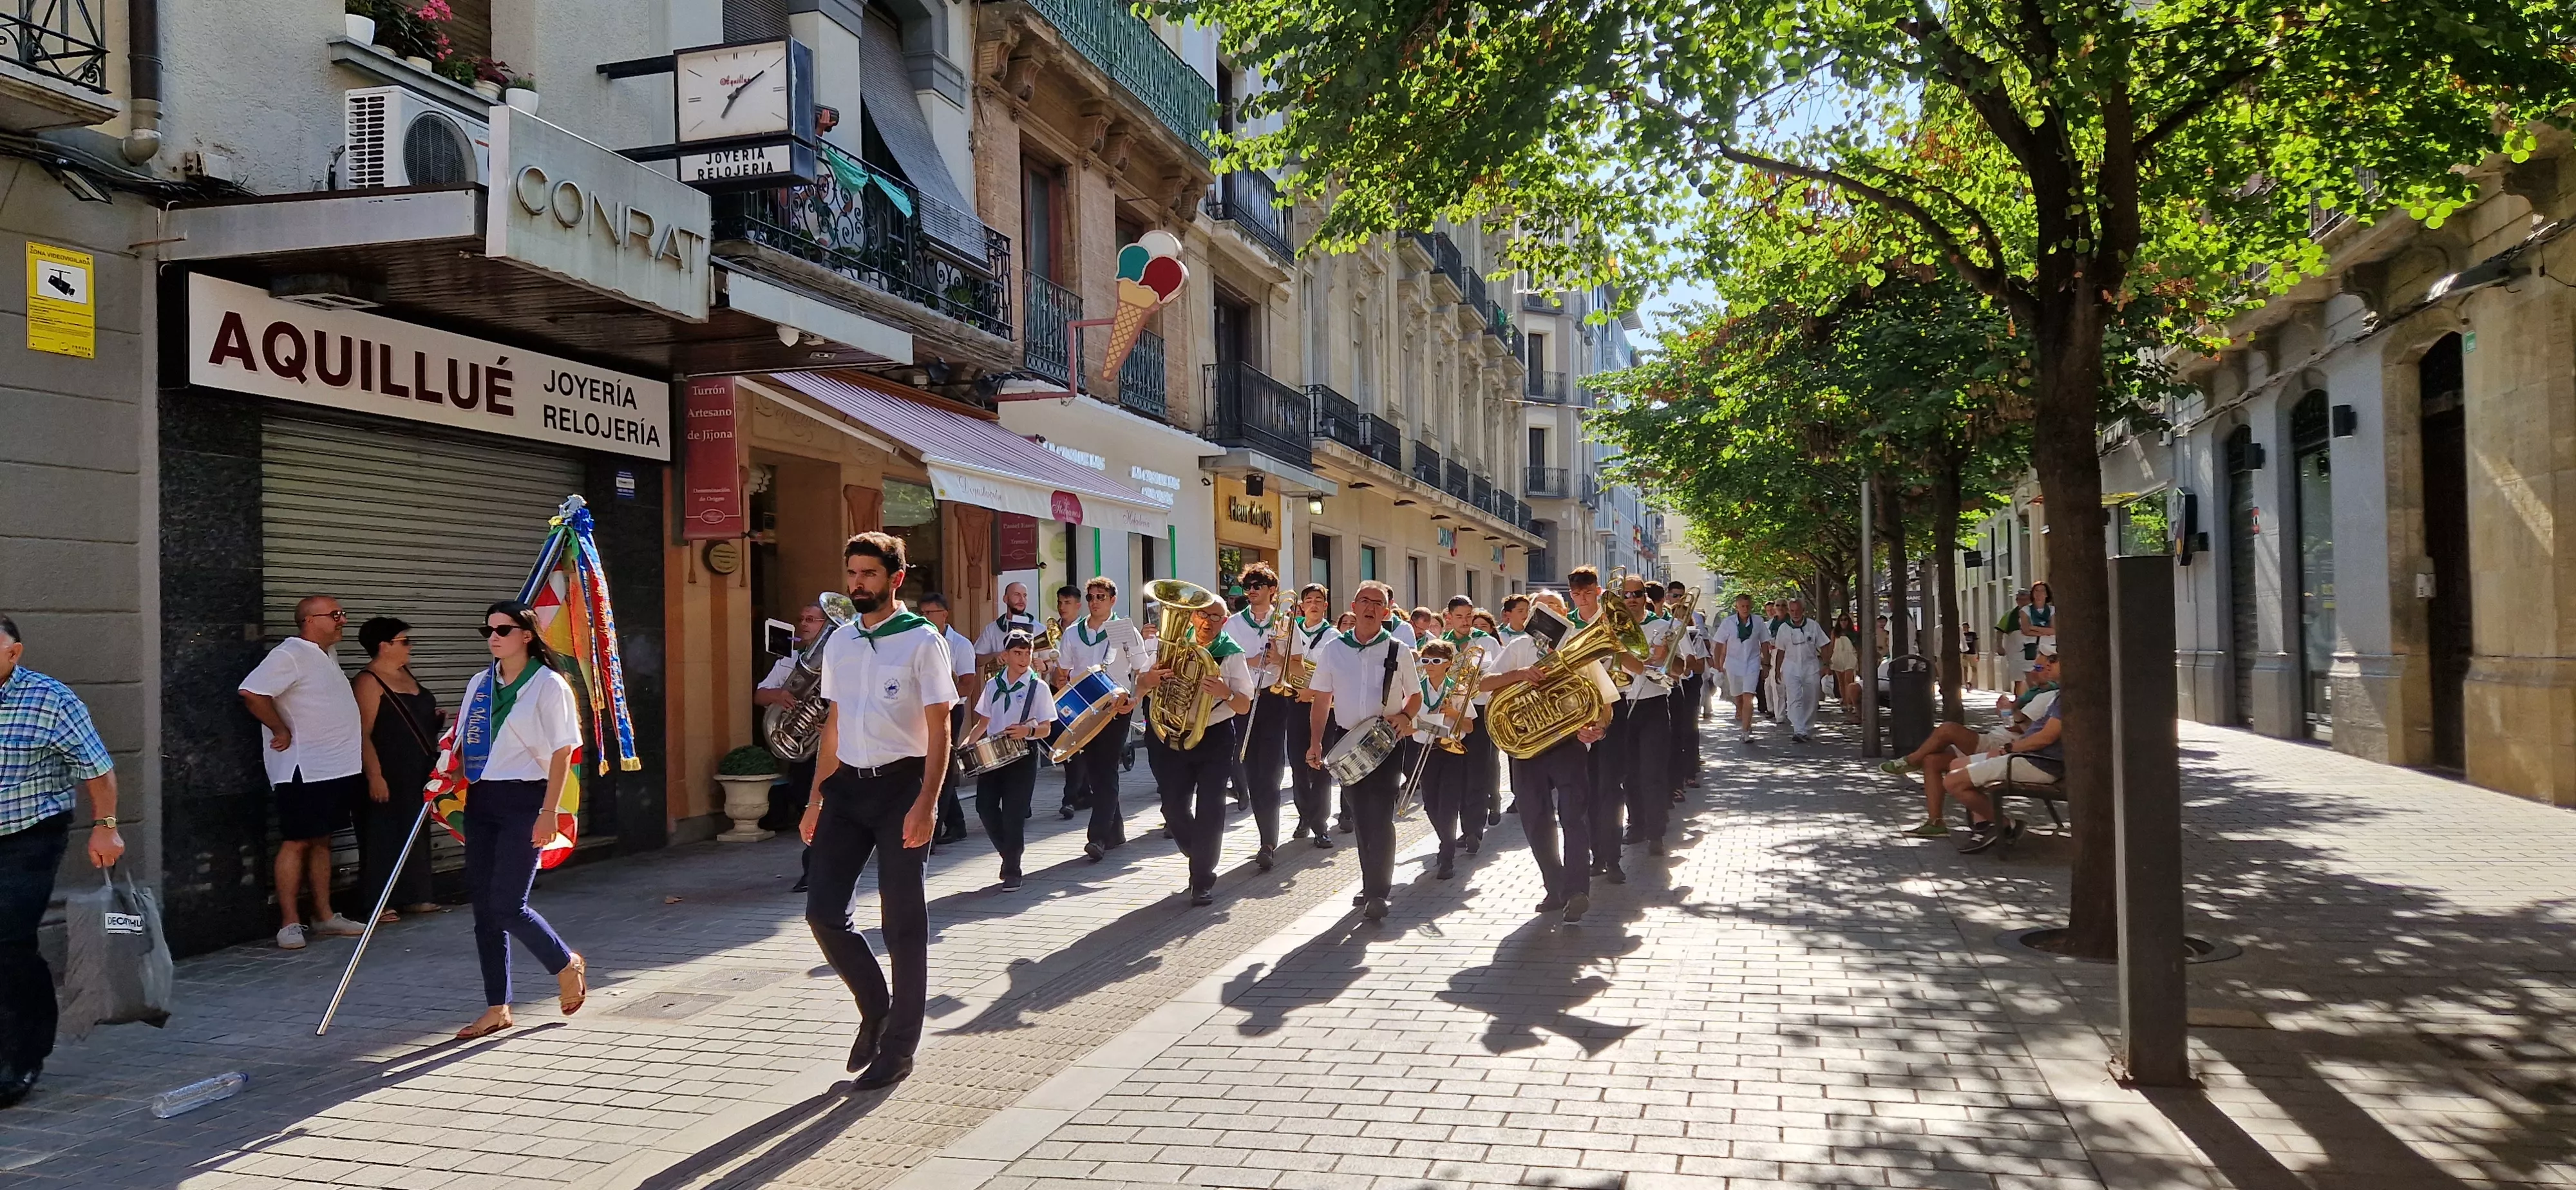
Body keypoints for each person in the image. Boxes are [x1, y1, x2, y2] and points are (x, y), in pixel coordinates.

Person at [802, 532, 956, 1091]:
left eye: (869, 574)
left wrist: (927, 803)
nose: (857, 584)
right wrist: (816, 797)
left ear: (895, 579)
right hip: (847, 787)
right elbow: (834, 723)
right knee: (822, 912)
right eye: (852, 574)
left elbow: (941, 727)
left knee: (902, 922)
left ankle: (899, 1049)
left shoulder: (922, 640)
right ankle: (876, 1006)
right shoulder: (841, 642)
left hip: (901, 788)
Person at [0, 615, 124, 1110]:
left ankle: (22, 1056)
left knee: (8, 941)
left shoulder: (51, 700)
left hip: (29, 834)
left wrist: (106, 827)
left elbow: (98, 770)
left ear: (14, 653)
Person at [451, 600, 588, 1040]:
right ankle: (497, 1006)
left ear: (527, 635)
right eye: (487, 630)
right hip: (481, 798)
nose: (493, 637)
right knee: (485, 911)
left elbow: (563, 752)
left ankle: (564, 962)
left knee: (509, 904)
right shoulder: (480, 683)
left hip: (526, 800)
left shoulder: (549, 685)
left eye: (504, 629)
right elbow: (462, 740)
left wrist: (550, 812)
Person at [237, 595, 370, 949]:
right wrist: (280, 730)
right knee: (296, 841)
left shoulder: (325, 655)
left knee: (322, 840)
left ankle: (324, 915)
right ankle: (289, 922)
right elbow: (252, 692)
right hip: (303, 769)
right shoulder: (289, 653)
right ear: (309, 620)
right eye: (335, 615)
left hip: (334, 767)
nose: (342, 620)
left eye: (343, 613)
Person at [1481, 590, 1605, 923]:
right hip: (1528, 748)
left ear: (1565, 613)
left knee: (1573, 817)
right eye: (1541, 609)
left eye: (1554, 609)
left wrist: (1598, 729)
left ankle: (1577, 890)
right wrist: (1520, 675)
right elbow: (1485, 682)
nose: (1548, 615)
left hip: (1568, 745)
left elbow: (1603, 703)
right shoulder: (1520, 646)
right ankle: (1556, 884)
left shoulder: (1579, 648)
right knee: (1535, 821)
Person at [1303, 580, 1421, 922]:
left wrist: (1405, 716)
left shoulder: (1398, 650)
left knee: (1380, 815)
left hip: (1386, 740)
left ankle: (1378, 892)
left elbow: (1415, 696)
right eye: (1364, 602)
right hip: (1345, 740)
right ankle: (1371, 883)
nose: (1370, 608)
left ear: (1386, 611)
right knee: (1360, 817)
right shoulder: (1333, 649)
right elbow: (1322, 700)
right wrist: (1315, 744)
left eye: (1378, 603)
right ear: (1353, 606)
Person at [1138, 601, 1256, 905]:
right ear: (1193, 616)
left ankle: (1202, 878)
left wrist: (1225, 693)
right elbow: (1140, 683)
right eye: (1203, 615)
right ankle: (1199, 850)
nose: (1208, 623)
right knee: (1173, 809)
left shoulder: (1231, 653)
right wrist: (1151, 680)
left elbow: (1244, 705)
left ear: (1225, 621)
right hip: (1172, 733)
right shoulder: (1170, 645)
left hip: (1214, 737)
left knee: (1211, 809)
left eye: (1216, 617)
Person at [1886, 654, 2060, 837]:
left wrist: (2009, 723)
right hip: (2008, 745)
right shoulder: (2037, 693)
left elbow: (2028, 731)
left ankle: (1912, 760)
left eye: (2043, 667)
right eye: (2039, 666)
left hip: (2013, 748)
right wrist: (2008, 711)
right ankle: (1937, 822)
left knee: (1948, 731)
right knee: (1933, 760)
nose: (2034, 672)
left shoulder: (2049, 697)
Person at [351, 618, 439, 922]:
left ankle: (416, 894)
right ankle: (378, 900)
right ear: (383, 646)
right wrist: (374, 775)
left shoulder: (406, 675)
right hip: (386, 769)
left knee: (414, 830)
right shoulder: (368, 681)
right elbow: (362, 732)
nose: (410, 646)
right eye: (403, 641)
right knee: (382, 834)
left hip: (416, 768)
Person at [1054, 576, 1146, 859]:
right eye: (1091, 597)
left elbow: (1142, 669)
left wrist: (1135, 699)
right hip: (1085, 712)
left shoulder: (1122, 629)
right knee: (1096, 772)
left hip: (1115, 708)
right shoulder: (1073, 633)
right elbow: (1063, 672)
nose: (1095, 602)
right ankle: (1115, 832)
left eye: (1101, 597)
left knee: (1105, 771)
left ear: (1113, 601)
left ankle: (1098, 838)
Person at [962, 631, 1055, 890]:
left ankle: (1012, 868)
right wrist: (967, 744)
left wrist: (1029, 731)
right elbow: (984, 723)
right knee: (984, 806)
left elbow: (1047, 728)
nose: (1024, 658)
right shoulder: (993, 685)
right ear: (1005, 656)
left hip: (1022, 754)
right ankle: (1009, 852)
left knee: (1014, 814)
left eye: (1027, 653)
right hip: (993, 756)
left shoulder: (1038, 687)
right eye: (1018, 653)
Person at [1218, 563, 1291, 870]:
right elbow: (1220, 659)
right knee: (1248, 768)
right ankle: (1265, 834)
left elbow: (1296, 667)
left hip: (1274, 699)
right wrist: (1248, 660)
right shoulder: (1233, 624)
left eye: (1258, 585)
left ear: (1272, 589)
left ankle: (1268, 842)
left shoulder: (1287, 622)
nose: (1252, 590)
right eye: (1248, 585)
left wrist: (1278, 659)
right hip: (1244, 700)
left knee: (1270, 775)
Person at [755, 603, 829, 891]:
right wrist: (779, 694)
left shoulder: (843, 657)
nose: (804, 624)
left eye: (811, 619)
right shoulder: (789, 661)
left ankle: (816, 870)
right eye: (801, 619)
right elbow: (759, 695)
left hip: (836, 745)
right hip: (806, 748)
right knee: (805, 800)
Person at [1938, 679, 2057, 855]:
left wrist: (2009, 749)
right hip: (2024, 755)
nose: (2043, 667)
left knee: (1953, 781)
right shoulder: (2048, 695)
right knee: (1956, 765)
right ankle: (1985, 825)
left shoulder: (2060, 699)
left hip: (2036, 761)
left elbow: (2043, 739)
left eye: (2051, 661)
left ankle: (2003, 824)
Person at [1611, 577, 1673, 858]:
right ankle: (1635, 824)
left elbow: (1678, 667)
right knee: (1628, 771)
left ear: (1645, 597)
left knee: (1653, 771)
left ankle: (1656, 832)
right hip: (1621, 704)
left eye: (1637, 594)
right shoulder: (1611, 629)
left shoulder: (1662, 627)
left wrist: (1666, 655)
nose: (1631, 599)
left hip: (1653, 704)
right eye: (1626, 595)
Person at [1408, 639, 1476, 880]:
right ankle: (1445, 840)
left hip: (1450, 751)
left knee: (1448, 805)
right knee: (1430, 804)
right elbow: (1408, 724)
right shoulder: (1416, 690)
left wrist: (1454, 713)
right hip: (1425, 750)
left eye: (1436, 661)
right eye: (1426, 661)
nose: (1430, 666)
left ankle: (1447, 855)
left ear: (1448, 664)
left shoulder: (1457, 690)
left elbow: (1469, 725)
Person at [1433, 597, 1497, 849]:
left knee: (1477, 772)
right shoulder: (1440, 645)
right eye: (1459, 617)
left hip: (1477, 712)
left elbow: (1492, 676)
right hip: (1448, 713)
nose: (1465, 621)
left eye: (1469, 616)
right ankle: (1456, 827)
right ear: (1448, 617)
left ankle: (1473, 830)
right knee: (1453, 773)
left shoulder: (1486, 642)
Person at [918, 593, 980, 845]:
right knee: (930, 767)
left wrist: (947, 685)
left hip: (951, 709)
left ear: (945, 614)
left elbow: (968, 685)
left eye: (930, 613)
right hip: (922, 711)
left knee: (942, 765)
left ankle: (936, 828)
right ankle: (957, 823)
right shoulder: (919, 641)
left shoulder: (960, 644)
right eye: (922, 613)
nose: (925, 618)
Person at [1283, 583, 1337, 847]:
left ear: (1325, 606)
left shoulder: (1334, 635)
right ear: (1302, 605)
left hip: (1324, 704)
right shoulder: (1290, 630)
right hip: (1294, 702)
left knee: (1321, 765)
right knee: (1297, 764)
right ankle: (1304, 815)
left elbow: (1335, 673)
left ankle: (1321, 824)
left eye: (1318, 600)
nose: (1313, 604)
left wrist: (1313, 692)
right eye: (1309, 600)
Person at [1770, 598, 1833, 743]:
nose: (1795, 613)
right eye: (1792, 611)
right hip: (1791, 666)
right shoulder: (1784, 628)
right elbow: (1780, 650)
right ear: (1789, 611)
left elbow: (1824, 645)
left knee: (1811, 698)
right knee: (1794, 697)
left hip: (1810, 665)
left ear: (1803, 611)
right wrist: (1777, 670)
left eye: (1798, 610)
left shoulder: (1813, 626)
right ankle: (1798, 729)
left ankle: (1807, 728)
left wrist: (1826, 664)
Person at [1714, 594, 1766, 745]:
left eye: (1748, 606)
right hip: (1733, 664)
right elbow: (1718, 643)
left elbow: (1765, 642)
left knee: (1748, 695)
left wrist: (1767, 664)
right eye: (1742, 606)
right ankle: (1741, 713)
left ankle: (1746, 730)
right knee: (1739, 696)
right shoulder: (1728, 622)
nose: (1745, 609)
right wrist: (1718, 663)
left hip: (1753, 662)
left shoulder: (1758, 621)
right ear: (1737, 607)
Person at [973, 581, 1041, 674]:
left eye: (1025, 596)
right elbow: (976, 660)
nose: (1022, 599)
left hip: (1030, 686)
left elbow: (1051, 664)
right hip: (1000, 685)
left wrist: (1044, 666)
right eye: (1017, 595)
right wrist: (994, 655)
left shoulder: (1039, 628)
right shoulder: (992, 629)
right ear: (1005, 599)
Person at [2021, 581, 2058, 692]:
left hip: (2049, 646)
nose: (2039, 594)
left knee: (2047, 674)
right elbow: (2026, 630)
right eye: (2036, 591)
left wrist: (2035, 628)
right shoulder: (2025, 610)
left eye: (2042, 591)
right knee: (2032, 676)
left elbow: (2054, 630)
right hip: (2031, 646)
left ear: (2047, 594)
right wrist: (2045, 631)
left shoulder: (2052, 610)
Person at [1829, 616, 1862, 722]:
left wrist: (1860, 658)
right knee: (1841, 682)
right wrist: (1828, 659)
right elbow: (1832, 645)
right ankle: (1845, 701)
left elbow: (1858, 646)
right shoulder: (1836, 632)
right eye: (1842, 620)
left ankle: (1851, 702)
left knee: (1849, 680)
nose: (1844, 622)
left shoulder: (1853, 633)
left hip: (1850, 656)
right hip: (1838, 656)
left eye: (1846, 620)